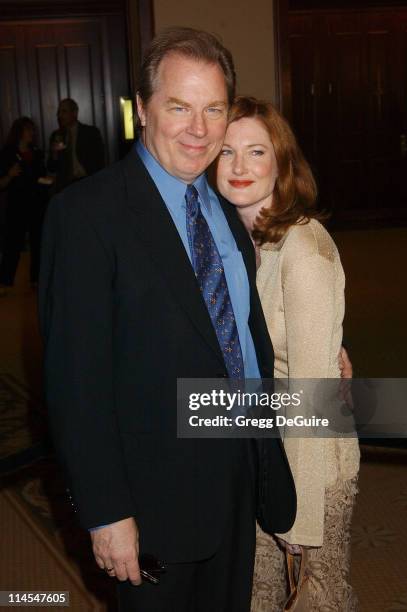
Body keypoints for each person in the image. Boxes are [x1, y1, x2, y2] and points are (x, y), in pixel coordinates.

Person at [39, 29, 296, 612]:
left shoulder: (226, 210)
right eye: (179, 106)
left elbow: (241, 334)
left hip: (237, 479)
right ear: (141, 108)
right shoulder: (86, 216)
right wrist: (107, 512)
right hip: (153, 504)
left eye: (214, 109)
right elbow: (76, 385)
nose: (199, 129)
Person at [216, 96, 360, 611]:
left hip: (308, 462)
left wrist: (298, 515)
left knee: (313, 599)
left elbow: (315, 394)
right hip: (258, 444)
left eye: (256, 152)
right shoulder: (232, 239)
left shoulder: (304, 250)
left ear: (281, 163)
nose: (238, 167)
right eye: (226, 152)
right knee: (256, 593)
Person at [0, 117, 49, 294]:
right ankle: (5, 281)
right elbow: (2, 184)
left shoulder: (37, 152)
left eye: (33, 130)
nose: (32, 133)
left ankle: (36, 280)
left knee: (38, 243)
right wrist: (11, 174)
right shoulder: (7, 154)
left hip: (37, 204)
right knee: (12, 244)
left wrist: (48, 181)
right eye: (29, 130)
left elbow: (42, 176)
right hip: (17, 206)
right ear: (19, 132)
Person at [47, 98, 105, 192]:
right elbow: (51, 168)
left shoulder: (90, 133)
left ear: (75, 113)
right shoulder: (56, 136)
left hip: (87, 183)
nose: (60, 115)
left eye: (64, 111)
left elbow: (99, 162)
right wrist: (54, 155)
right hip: (65, 187)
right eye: (59, 112)